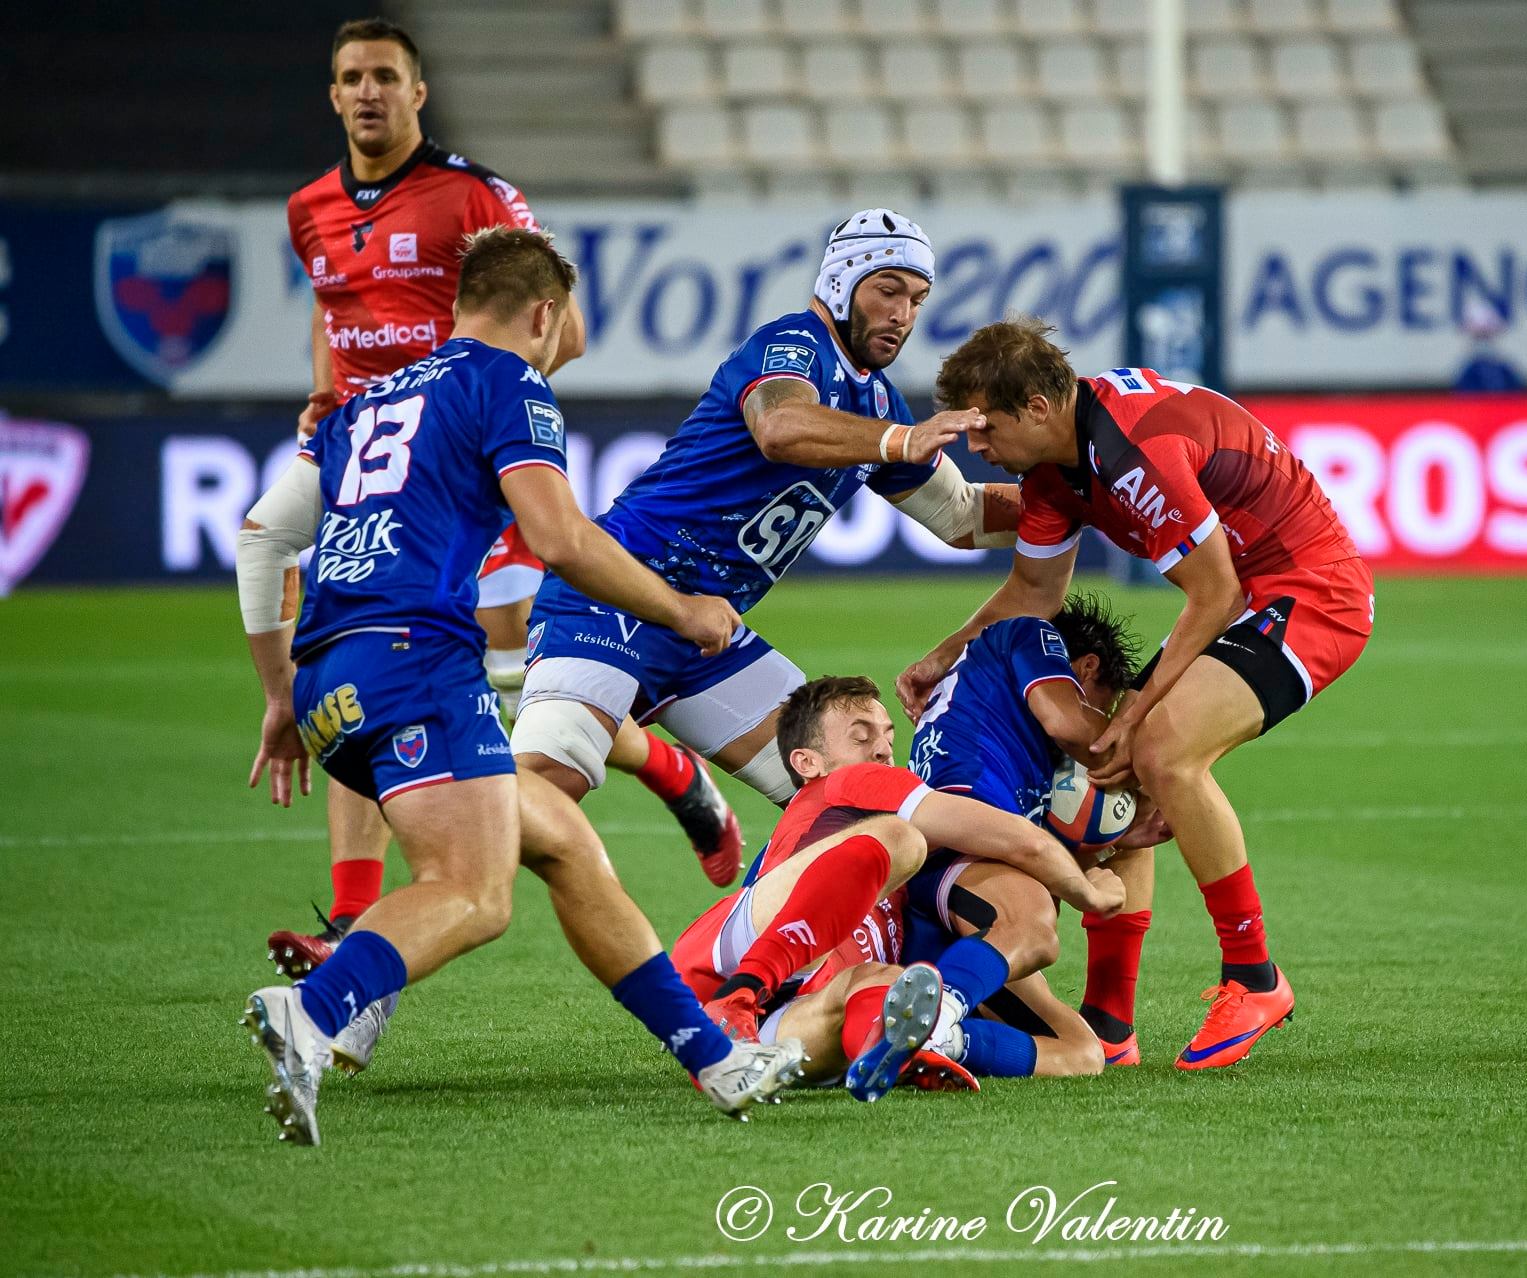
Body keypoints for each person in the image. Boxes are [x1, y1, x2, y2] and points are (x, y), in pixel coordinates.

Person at [235, 228, 801, 1143]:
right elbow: (562, 540)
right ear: (544, 315)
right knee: (476, 891)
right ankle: (317, 1008)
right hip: (416, 657)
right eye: (564, 320)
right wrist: (681, 613)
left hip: (327, 682)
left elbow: (262, 537)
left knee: (566, 842)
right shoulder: (507, 383)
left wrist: (275, 698)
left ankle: (718, 1060)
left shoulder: (361, 407)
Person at [272, 18, 737, 980]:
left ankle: (665, 763)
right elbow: (331, 311)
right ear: (331, 93)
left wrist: (500, 391)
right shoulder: (308, 206)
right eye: (350, 76)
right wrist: (330, 389)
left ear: (416, 91)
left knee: (527, 674)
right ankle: (352, 918)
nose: (367, 92)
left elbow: (558, 314)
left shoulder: (473, 194)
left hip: (468, 452)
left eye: (384, 76)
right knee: (366, 650)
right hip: (379, 461)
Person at [900, 320, 1374, 1071]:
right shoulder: (1056, 469)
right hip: (1252, 595)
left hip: (1309, 591)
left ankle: (1254, 976)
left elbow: (1212, 591)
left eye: (986, 428)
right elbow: (1034, 590)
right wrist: (945, 654)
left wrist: (1139, 711)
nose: (975, 447)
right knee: (1117, 762)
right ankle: (1110, 1023)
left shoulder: (1132, 451)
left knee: (1157, 749)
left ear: (1038, 409)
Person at [510, 210, 1021, 817]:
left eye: (917, 299)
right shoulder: (792, 345)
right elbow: (779, 427)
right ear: (839, 283)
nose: (903, 315)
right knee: (540, 795)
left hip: (709, 632)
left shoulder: (877, 401)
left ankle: (778, 911)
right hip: (616, 592)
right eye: (887, 290)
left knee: (855, 803)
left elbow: (963, 517)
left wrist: (1089, 496)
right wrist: (900, 441)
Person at [671, 676, 1125, 1098]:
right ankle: (738, 1000)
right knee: (899, 838)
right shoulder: (848, 786)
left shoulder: (890, 877)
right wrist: (1088, 891)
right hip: (740, 957)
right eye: (861, 735)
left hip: (790, 1021)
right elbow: (1020, 842)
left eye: (888, 734)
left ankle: (937, 1042)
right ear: (806, 762)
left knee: (1081, 1051)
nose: (884, 749)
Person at [904, 594, 1164, 1076]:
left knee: (1082, 1056)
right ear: (1085, 668)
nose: (1103, 729)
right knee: (1035, 924)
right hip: (955, 850)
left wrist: (1119, 834)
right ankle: (942, 1009)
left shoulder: (1007, 738)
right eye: (1104, 708)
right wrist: (1151, 769)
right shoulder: (1027, 632)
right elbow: (1069, 724)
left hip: (959, 897)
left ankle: (945, 1039)